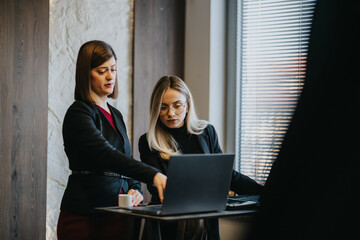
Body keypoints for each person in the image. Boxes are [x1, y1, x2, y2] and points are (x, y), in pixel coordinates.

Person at [57, 40, 167, 240]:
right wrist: (153, 175)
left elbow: (125, 158)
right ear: (86, 74)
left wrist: (135, 189)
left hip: (117, 216)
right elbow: (107, 154)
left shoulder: (115, 114)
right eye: (102, 71)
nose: (110, 76)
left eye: (113, 69)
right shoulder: (79, 113)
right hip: (85, 216)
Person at [138, 75, 263, 240]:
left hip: (207, 222)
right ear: (155, 109)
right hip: (168, 224)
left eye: (177, 106)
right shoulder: (148, 141)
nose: (171, 113)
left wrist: (262, 191)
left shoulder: (206, 132)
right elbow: (156, 187)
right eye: (163, 107)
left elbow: (226, 175)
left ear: (188, 105)